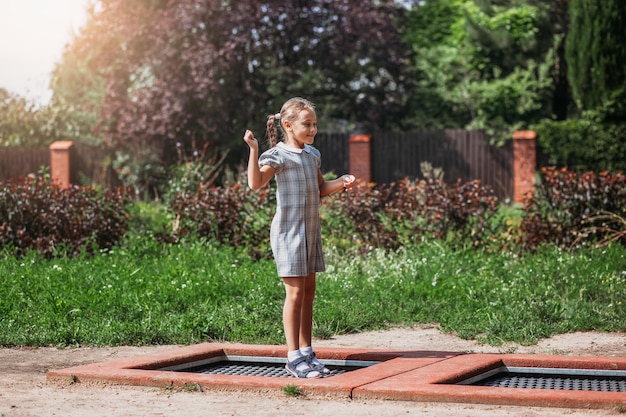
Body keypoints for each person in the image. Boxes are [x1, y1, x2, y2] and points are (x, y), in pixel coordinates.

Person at [243, 97, 356, 378]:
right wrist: (254, 150)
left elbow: (320, 188)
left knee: (308, 293)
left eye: (315, 124)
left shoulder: (312, 155)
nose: (313, 129)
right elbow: (255, 183)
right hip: (288, 233)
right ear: (288, 125)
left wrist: (342, 182)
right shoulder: (277, 156)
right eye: (307, 124)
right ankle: (293, 357)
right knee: (294, 294)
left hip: (310, 231)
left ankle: (307, 352)